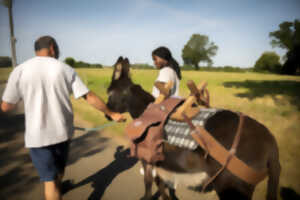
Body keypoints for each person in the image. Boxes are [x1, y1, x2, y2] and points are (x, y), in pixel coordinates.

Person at [0, 35, 125, 200]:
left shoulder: (20, 70)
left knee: (51, 181)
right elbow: (88, 96)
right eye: (57, 48)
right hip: (63, 134)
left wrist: (29, 96)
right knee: (57, 173)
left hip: (37, 137)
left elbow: (6, 106)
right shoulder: (64, 68)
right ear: (52, 47)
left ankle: (57, 190)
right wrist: (112, 114)